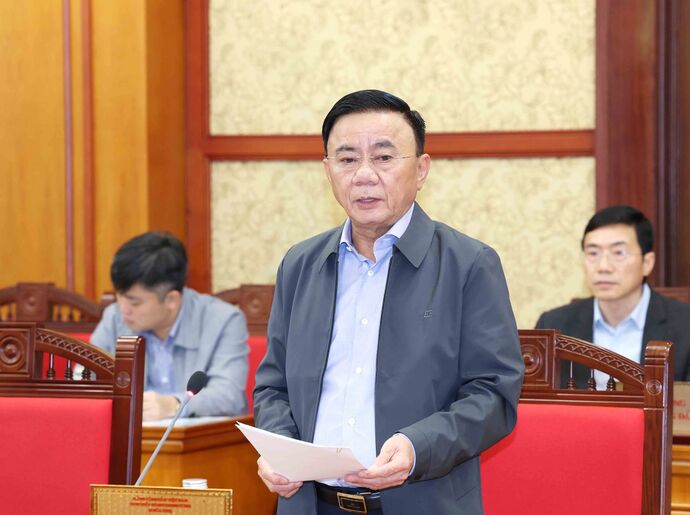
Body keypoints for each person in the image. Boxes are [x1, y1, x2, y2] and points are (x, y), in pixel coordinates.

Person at [253, 90, 524, 515]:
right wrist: (280, 448)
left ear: (421, 169)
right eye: (347, 159)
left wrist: (418, 447)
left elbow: (494, 395)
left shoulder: (469, 264)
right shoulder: (300, 264)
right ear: (327, 170)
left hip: (421, 503)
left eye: (383, 157)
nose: (364, 175)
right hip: (310, 504)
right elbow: (273, 387)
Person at [91, 231, 249, 421]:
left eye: (134, 302)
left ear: (171, 300)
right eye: (119, 296)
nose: (123, 309)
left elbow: (228, 395)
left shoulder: (223, 320)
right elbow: (83, 381)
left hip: (200, 437)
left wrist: (174, 404)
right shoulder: (114, 317)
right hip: (135, 436)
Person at [536, 205, 690, 387]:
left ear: (647, 263)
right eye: (593, 253)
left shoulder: (685, 326)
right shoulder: (553, 326)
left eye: (619, 253)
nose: (604, 267)